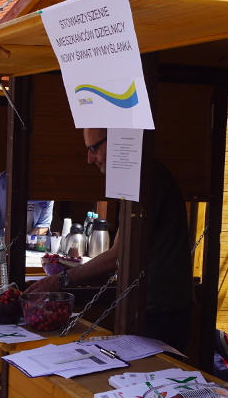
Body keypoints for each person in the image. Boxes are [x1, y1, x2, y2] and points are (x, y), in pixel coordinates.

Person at [28, 128, 194, 351]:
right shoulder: (141, 176)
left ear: (118, 140)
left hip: (163, 312)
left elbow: (118, 255)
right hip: (154, 306)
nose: (90, 159)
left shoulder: (146, 178)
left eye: (94, 148)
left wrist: (60, 280)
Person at [0, 171, 53, 236]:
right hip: (2, 239)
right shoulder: (1, 182)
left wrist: (27, 239)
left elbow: (44, 225)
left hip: (32, 241)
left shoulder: (46, 186)